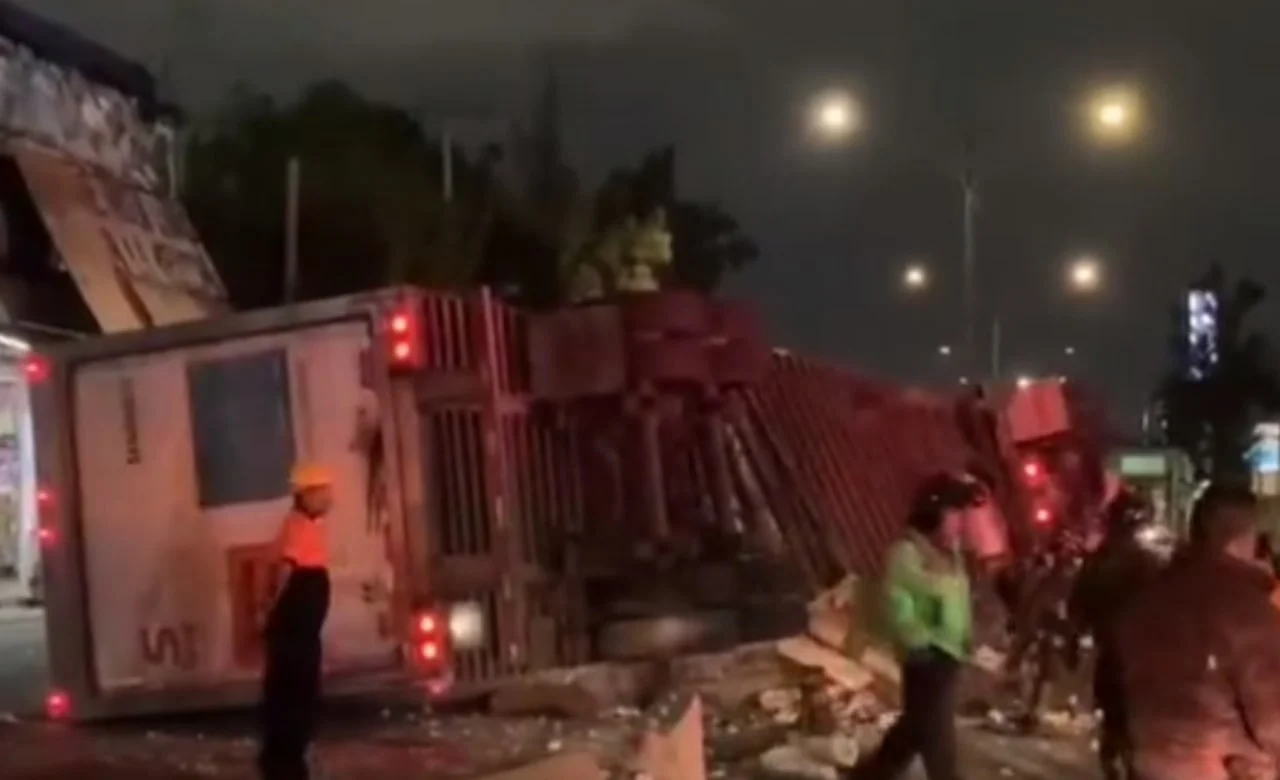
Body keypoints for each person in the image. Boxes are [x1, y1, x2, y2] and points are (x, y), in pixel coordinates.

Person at [1116, 484, 1280, 780]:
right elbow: (1273, 720)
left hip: (1149, 765)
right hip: (1222, 770)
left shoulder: (1146, 599)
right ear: (1242, 539)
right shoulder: (1247, 609)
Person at [845, 472, 976, 780]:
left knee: (916, 727)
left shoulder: (951, 555)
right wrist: (917, 642)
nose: (960, 523)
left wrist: (966, 637)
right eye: (954, 514)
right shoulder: (906, 553)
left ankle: (871, 776)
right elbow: (896, 602)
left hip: (950, 654)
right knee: (937, 734)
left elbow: (958, 599)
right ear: (931, 515)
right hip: (926, 656)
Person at [1067, 487, 1164, 780]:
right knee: (1139, 730)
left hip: (1112, 657)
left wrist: (1074, 644)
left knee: (1114, 725)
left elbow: (1077, 611)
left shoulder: (1097, 562)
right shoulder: (1153, 563)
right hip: (1148, 661)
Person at [258, 463, 335, 780]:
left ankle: (286, 754)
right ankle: (285, 758)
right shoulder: (299, 526)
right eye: (324, 491)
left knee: (294, 688)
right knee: (294, 688)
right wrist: (268, 610)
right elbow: (284, 571)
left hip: (300, 630)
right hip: (295, 630)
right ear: (307, 494)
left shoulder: (306, 524)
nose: (330, 498)